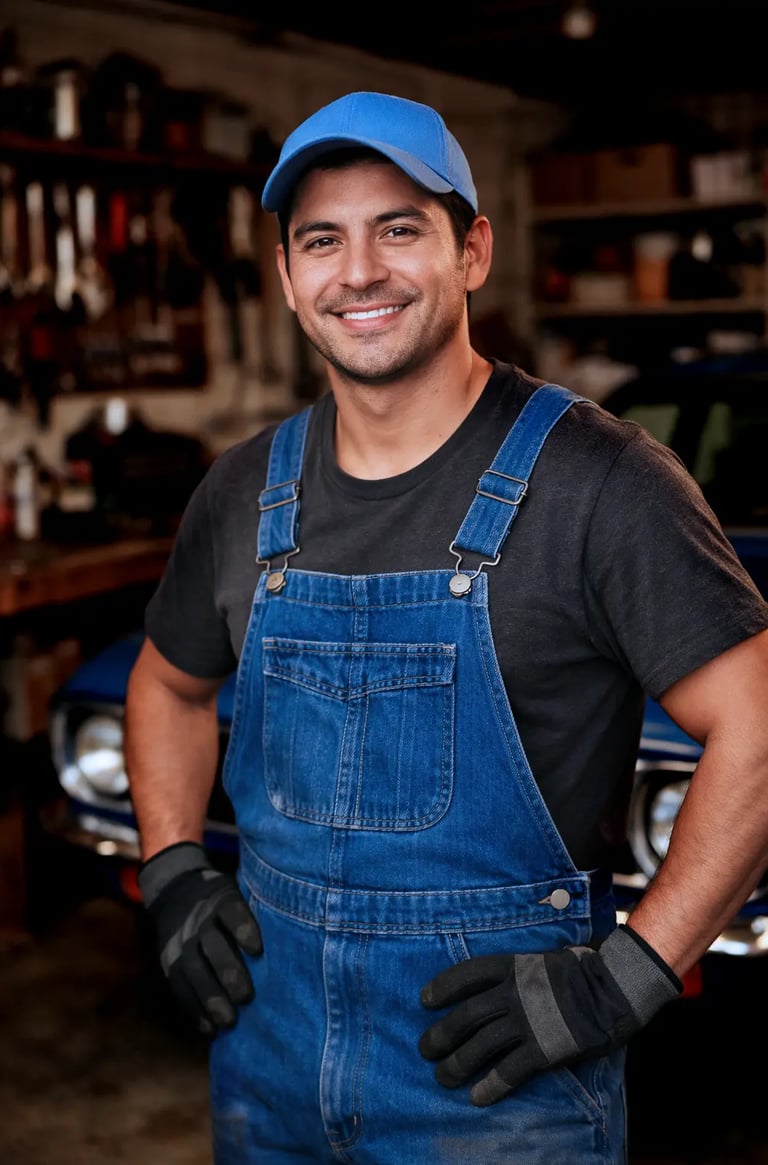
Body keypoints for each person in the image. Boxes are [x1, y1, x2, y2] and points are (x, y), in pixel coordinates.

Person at [124, 91, 768, 1164]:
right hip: (265, 1066)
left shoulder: (602, 485)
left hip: (499, 1088)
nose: (359, 270)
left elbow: (756, 726)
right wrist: (173, 867)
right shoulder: (242, 493)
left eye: (400, 228)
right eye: (322, 239)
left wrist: (630, 971)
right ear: (287, 277)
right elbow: (169, 685)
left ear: (473, 250)